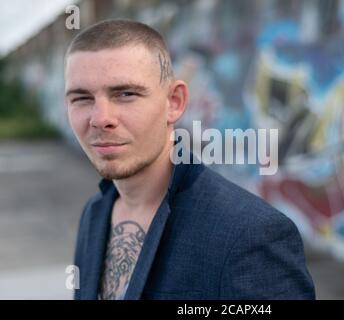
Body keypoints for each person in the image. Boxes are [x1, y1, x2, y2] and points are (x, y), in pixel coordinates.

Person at [65, 19, 315, 300]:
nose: (100, 119)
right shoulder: (95, 212)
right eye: (82, 98)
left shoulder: (250, 234)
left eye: (125, 94)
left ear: (174, 102)